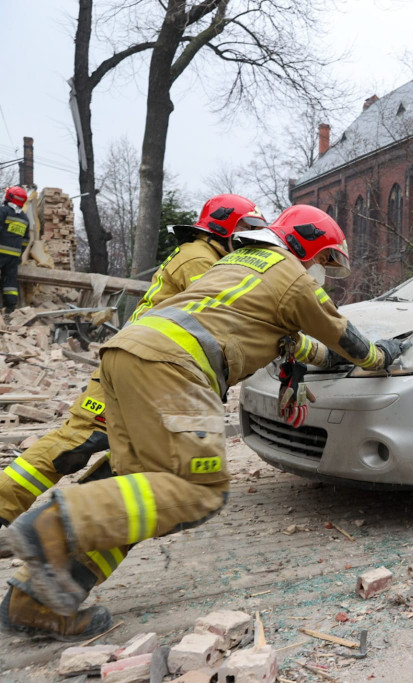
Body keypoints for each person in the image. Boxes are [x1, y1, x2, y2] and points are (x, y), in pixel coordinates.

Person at [2, 205, 403, 640]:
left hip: (128, 355)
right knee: (198, 490)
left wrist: (325, 362)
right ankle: (52, 527)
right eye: (323, 260)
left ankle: (35, 603)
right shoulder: (291, 276)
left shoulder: (235, 265)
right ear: (306, 245)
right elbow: (343, 335)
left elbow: (301, 343)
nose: (321, 271)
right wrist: (383, 357)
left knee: (139, 496)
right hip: (175, 367)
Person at [0, 194, 271, 638]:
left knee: (130, 491)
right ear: (228, 231)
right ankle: (27, 530)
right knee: (65, 450)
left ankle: (37, 596)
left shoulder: (201, 258)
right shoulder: (199, 258)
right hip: (134, 380)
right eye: (246, 235)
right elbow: (233, 313)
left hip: (142, 378)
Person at [0, 186, 30, 315]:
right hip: (14, 256)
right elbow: (25, 240)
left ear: (9, 197)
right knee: (10, 281)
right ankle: (10, 307)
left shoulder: (3, 211)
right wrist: (18, 253)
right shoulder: (25, 218)